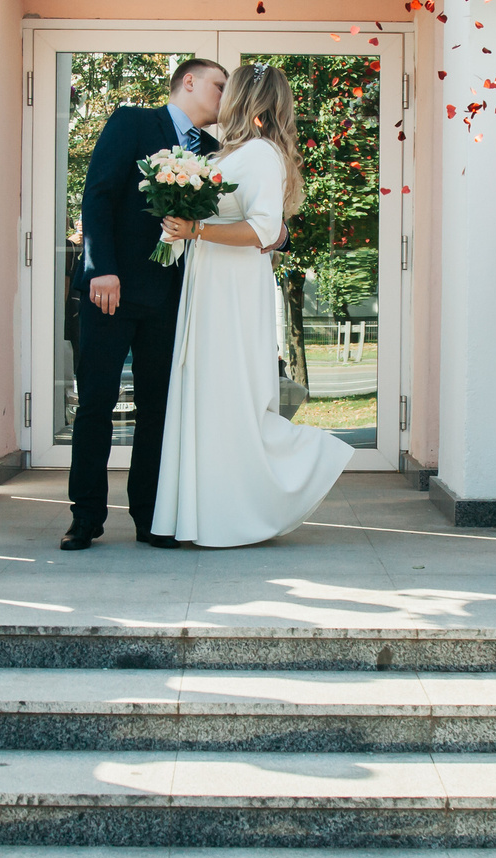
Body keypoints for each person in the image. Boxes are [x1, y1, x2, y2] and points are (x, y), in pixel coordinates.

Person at [152, 62, 355, 545]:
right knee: (210, 397)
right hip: (209, 284)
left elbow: (265, 229)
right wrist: (178, 228)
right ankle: (210, 515)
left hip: (234, 290)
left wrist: (197, 229)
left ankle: (307, 463)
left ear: (245, 99)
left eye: (229, 90)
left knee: (231, 397)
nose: (221, 99)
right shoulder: (230, 153)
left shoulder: (262, 154)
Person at [63, 57, 227, 550]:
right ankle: (85, 516)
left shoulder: (215, 152)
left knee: (158, 408)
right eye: (219, 85)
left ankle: (150, 517)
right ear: (189, 81)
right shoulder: (133, 122)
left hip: (171, 298)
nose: (225, 96)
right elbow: (98, 194)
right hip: (110, 291)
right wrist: (101, 268)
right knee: (96, 403)